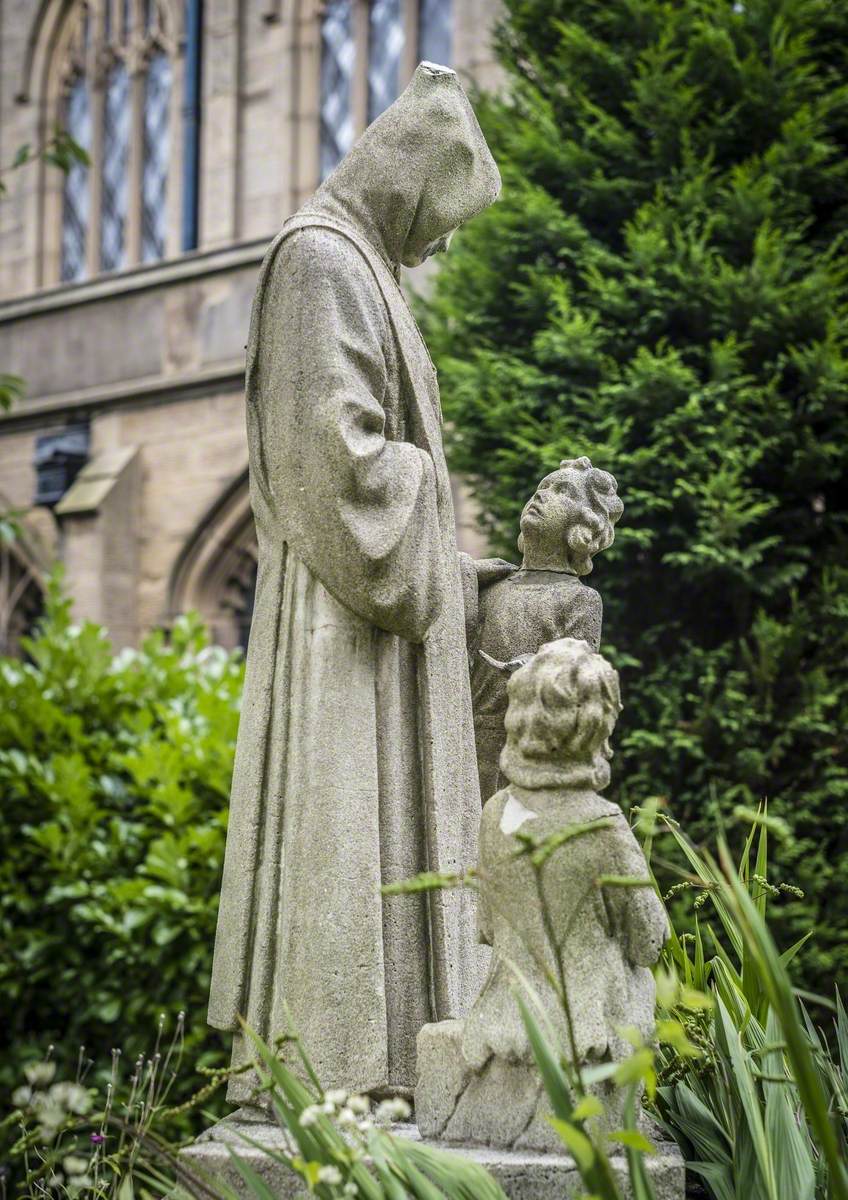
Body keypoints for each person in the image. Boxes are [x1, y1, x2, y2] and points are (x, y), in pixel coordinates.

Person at [206, 62, 501, 1101]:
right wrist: (426, 533)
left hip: (374, 631)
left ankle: (383, 1070)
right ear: (407, 181)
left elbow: (377, 477)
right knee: (345, 829)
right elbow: (338, 467)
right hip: (344, 642)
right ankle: (340, 1070)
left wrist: (456, 573)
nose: (446, 242)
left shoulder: (359, 262)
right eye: (444, 216)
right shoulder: (322, 260)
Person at [463, 638, 668, 1104]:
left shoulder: (495, 814)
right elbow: (649, 941)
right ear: (597, 727)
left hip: (503, 1014)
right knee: (639, 978)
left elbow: (488, 928)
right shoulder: (603, 826)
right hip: (587, 1031)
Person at [464, 457, 623, 803]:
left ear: (584, 524)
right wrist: (463, 577)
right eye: (543, 488)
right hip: (468, 734)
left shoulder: (579, 599)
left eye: (561, 491)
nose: (541, 496)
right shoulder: (491, 585)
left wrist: (530, 668)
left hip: (526, 743)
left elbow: (574, 675)